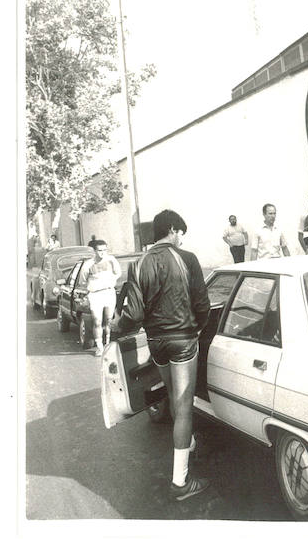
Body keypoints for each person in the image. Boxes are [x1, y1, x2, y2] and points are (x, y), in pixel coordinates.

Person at [119, 209, 211, 501]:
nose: (182, 238)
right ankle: (180, 482)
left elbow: (132, 315)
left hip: (155, 342)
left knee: (173, 396)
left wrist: (114, 328)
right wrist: (198, 330)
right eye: (180, 232)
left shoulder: (139, 264)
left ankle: (189, 446)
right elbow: (203, 305)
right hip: (183, 339)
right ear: (172, 230)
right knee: (184, 406)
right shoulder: (187, 259)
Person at [85, 239, 121, 356]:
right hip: (95, 295)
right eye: (100, 251)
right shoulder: (88, 264)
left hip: (109, 293)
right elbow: (83, 279)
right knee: (97, 320)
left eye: (104, 250)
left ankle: (108, 344)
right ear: (94, 251)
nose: (102, 253)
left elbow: (118, 273)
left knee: (109, 320)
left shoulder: (111, 260)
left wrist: (111, 281)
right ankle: (100, 347)